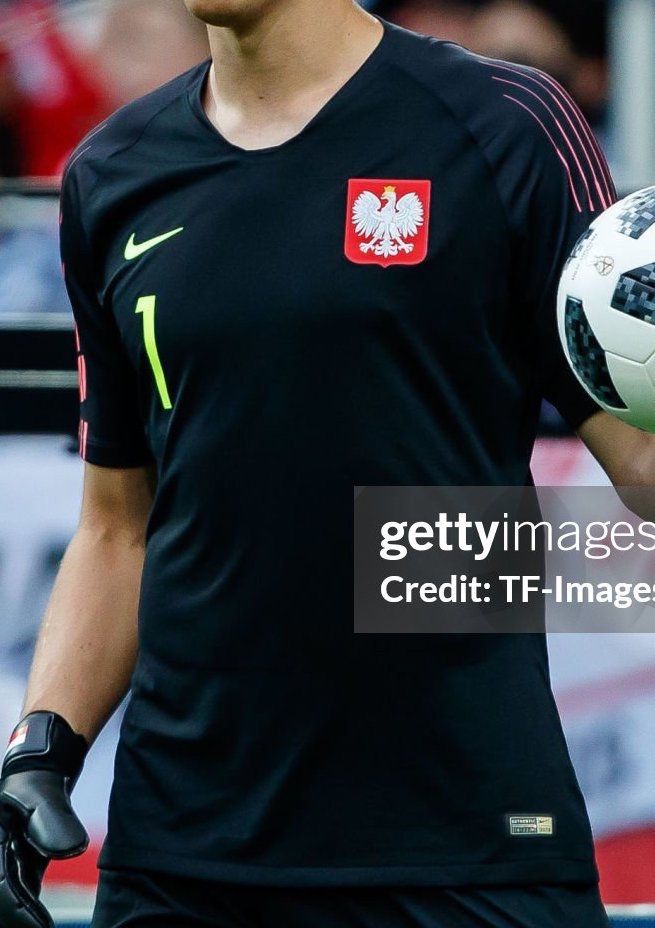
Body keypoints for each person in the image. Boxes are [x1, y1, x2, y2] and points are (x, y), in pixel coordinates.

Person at [0, 1, 650, 925]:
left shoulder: (506, 124)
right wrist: (38, 752)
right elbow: (119, 523)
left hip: (465, 847)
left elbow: (639, 464)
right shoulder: (113, 171)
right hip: (183, 856)